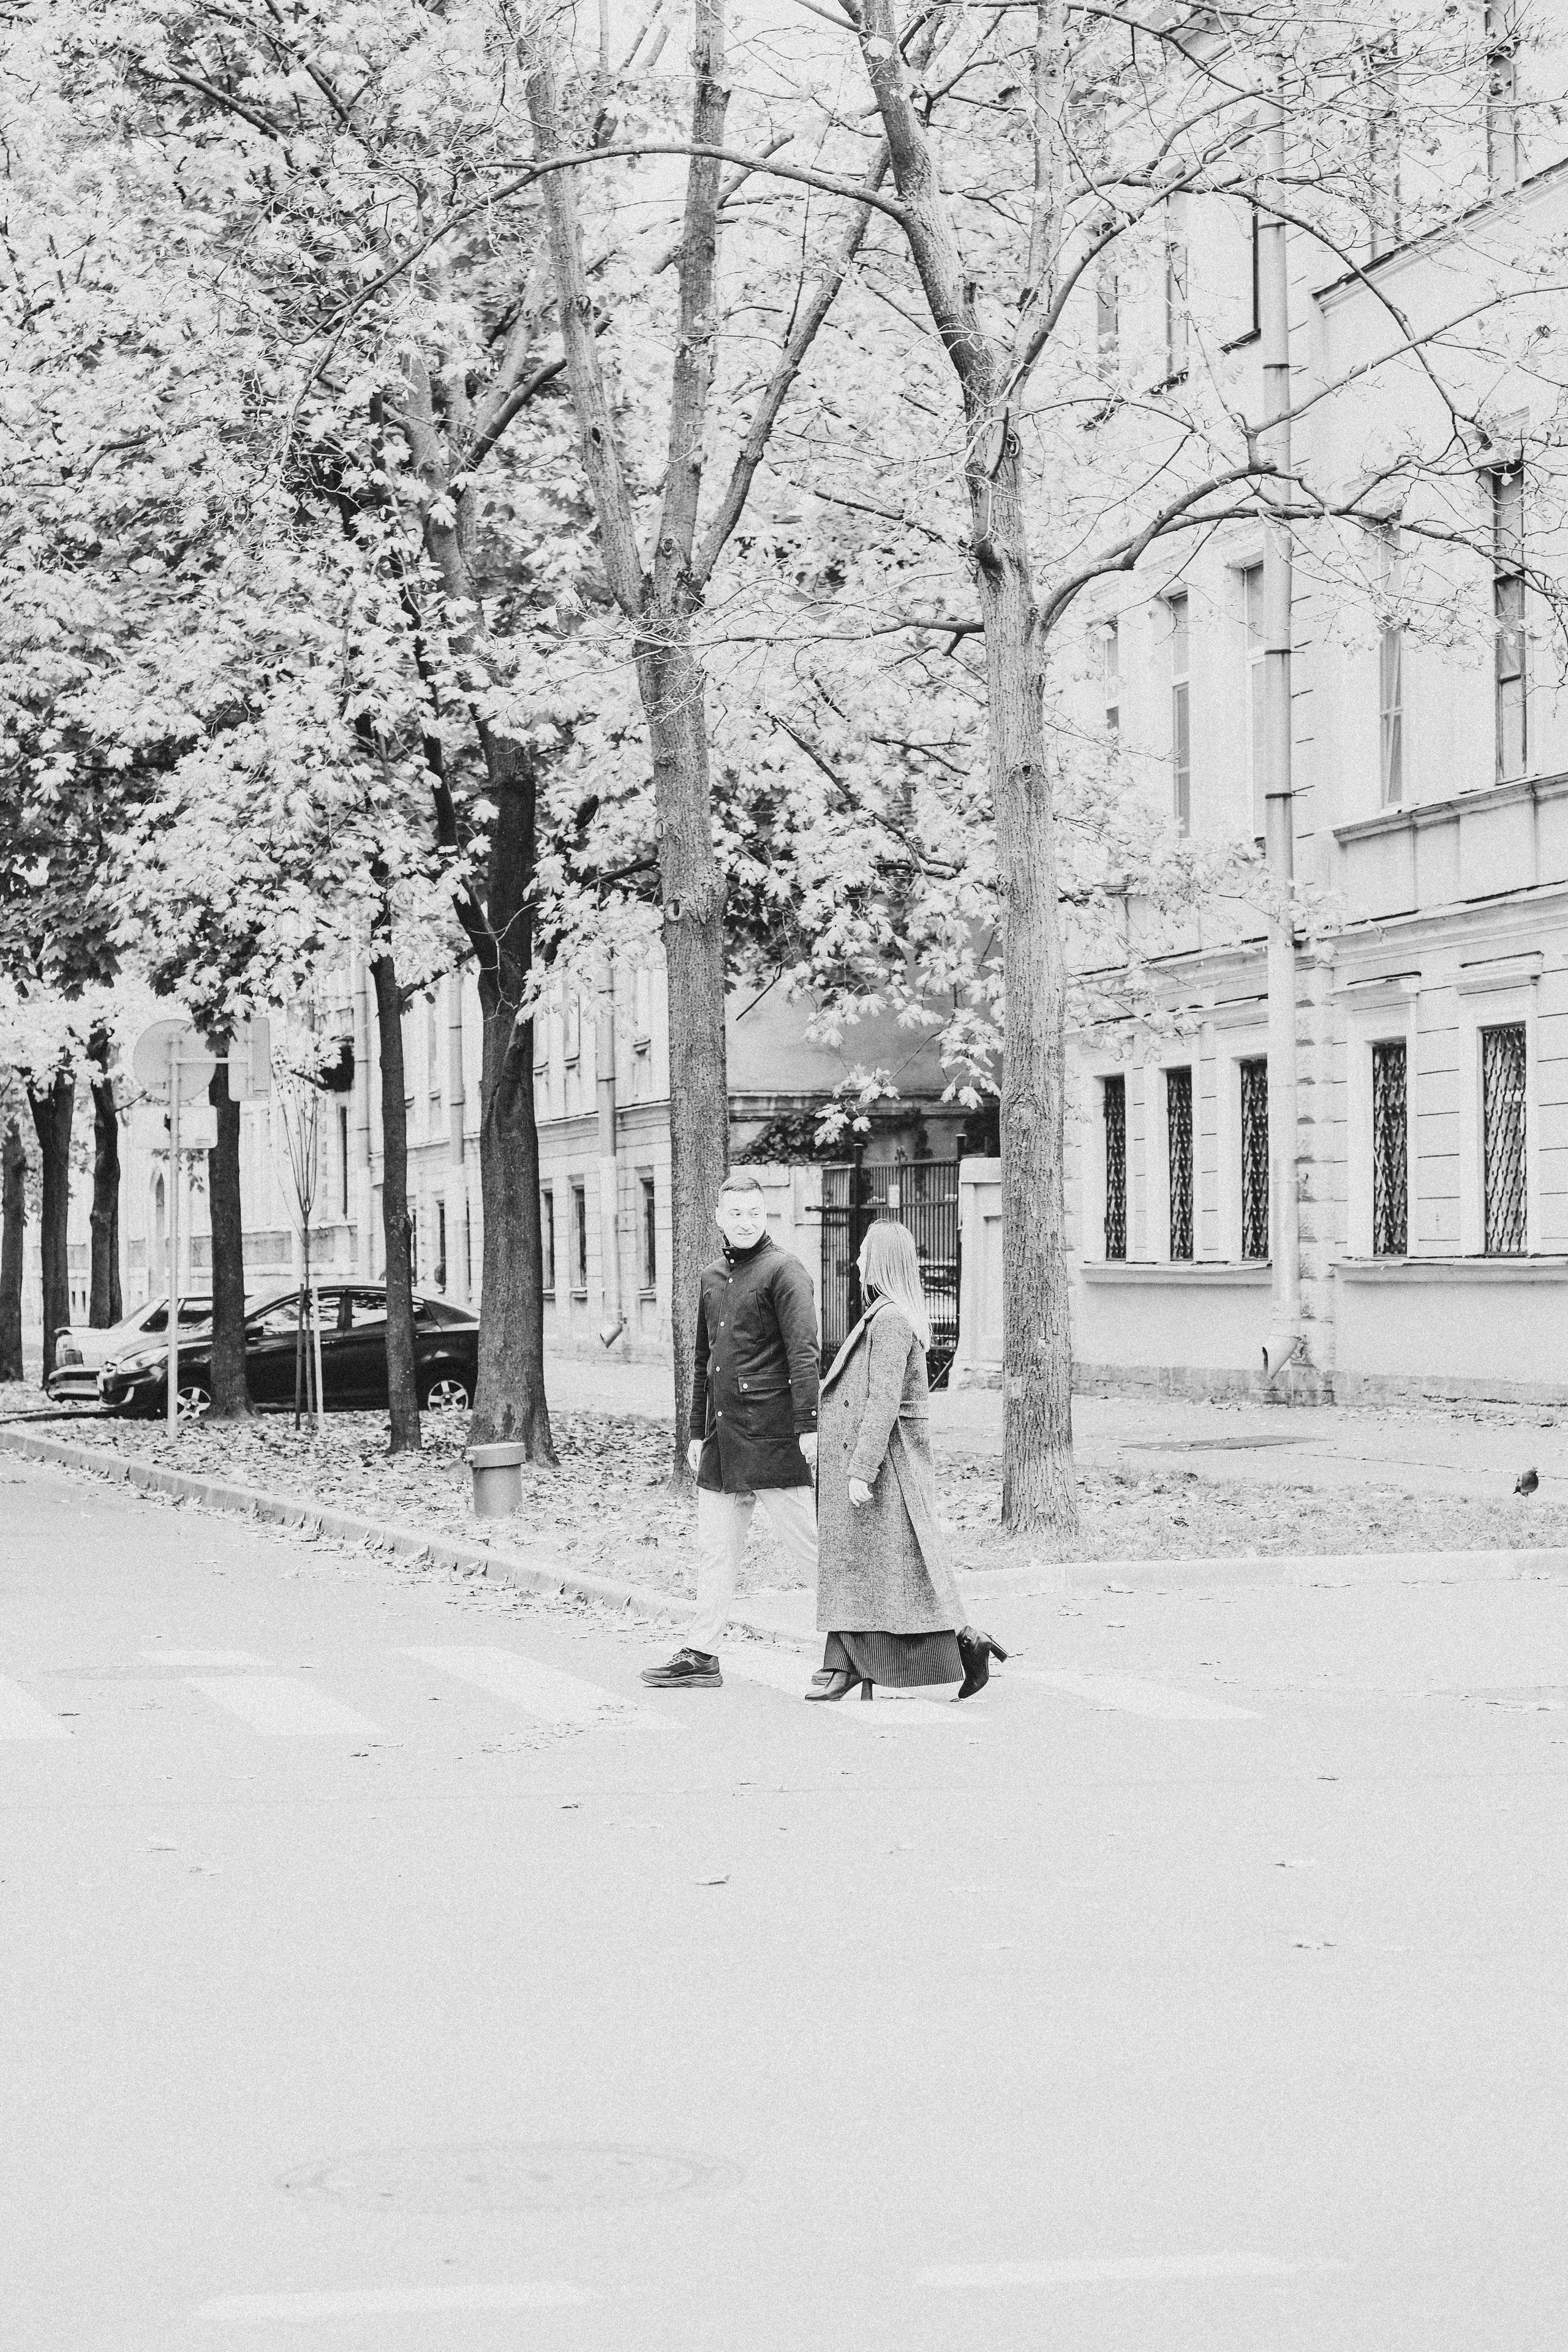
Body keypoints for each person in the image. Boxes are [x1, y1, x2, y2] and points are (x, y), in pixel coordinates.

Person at [810, 1219, 1005, 1703]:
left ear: (879, 1261)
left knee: (887, 1574)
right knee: (874, 1573)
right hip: (885, 1464)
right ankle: (846, 1664)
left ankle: (962, 1644)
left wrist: (861, 1469)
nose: (855, 1262)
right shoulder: (884, 1314)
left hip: (888, 1467)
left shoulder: (892, 1319)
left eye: (862, 1254)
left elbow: (883, 1402)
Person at [642, 1169, 820, 1689]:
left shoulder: (786, 1272)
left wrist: (808, 1425)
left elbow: (804, 1353)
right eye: (735, 1214)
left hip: (772, 1436)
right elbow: (704, 1360)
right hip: (721, 1440)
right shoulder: (711, 1277)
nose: (745, 1223)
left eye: (754, 1214)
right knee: (715, 1550)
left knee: (807, 1548)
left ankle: (851, 1643)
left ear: (766, 1217)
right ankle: (701, 1652)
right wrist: (695, 1433)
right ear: (719, 1218)